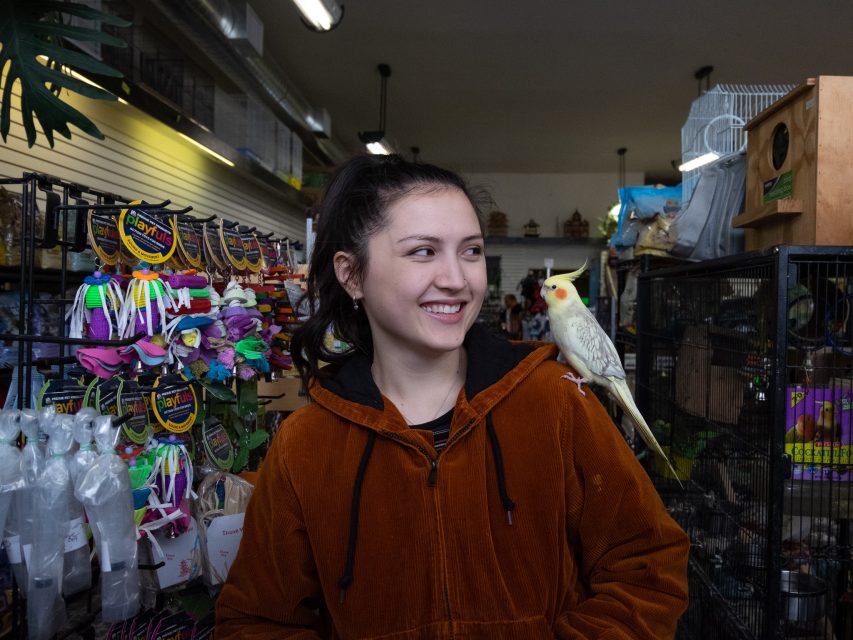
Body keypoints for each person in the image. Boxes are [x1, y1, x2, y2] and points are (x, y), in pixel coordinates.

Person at [215, 154, 689, 639]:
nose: (458, 280)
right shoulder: (306, 446)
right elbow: (256, 621)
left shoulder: (555, 401)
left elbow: (648, 567)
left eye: (471, 251)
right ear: (351, 274)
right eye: (423, 251)